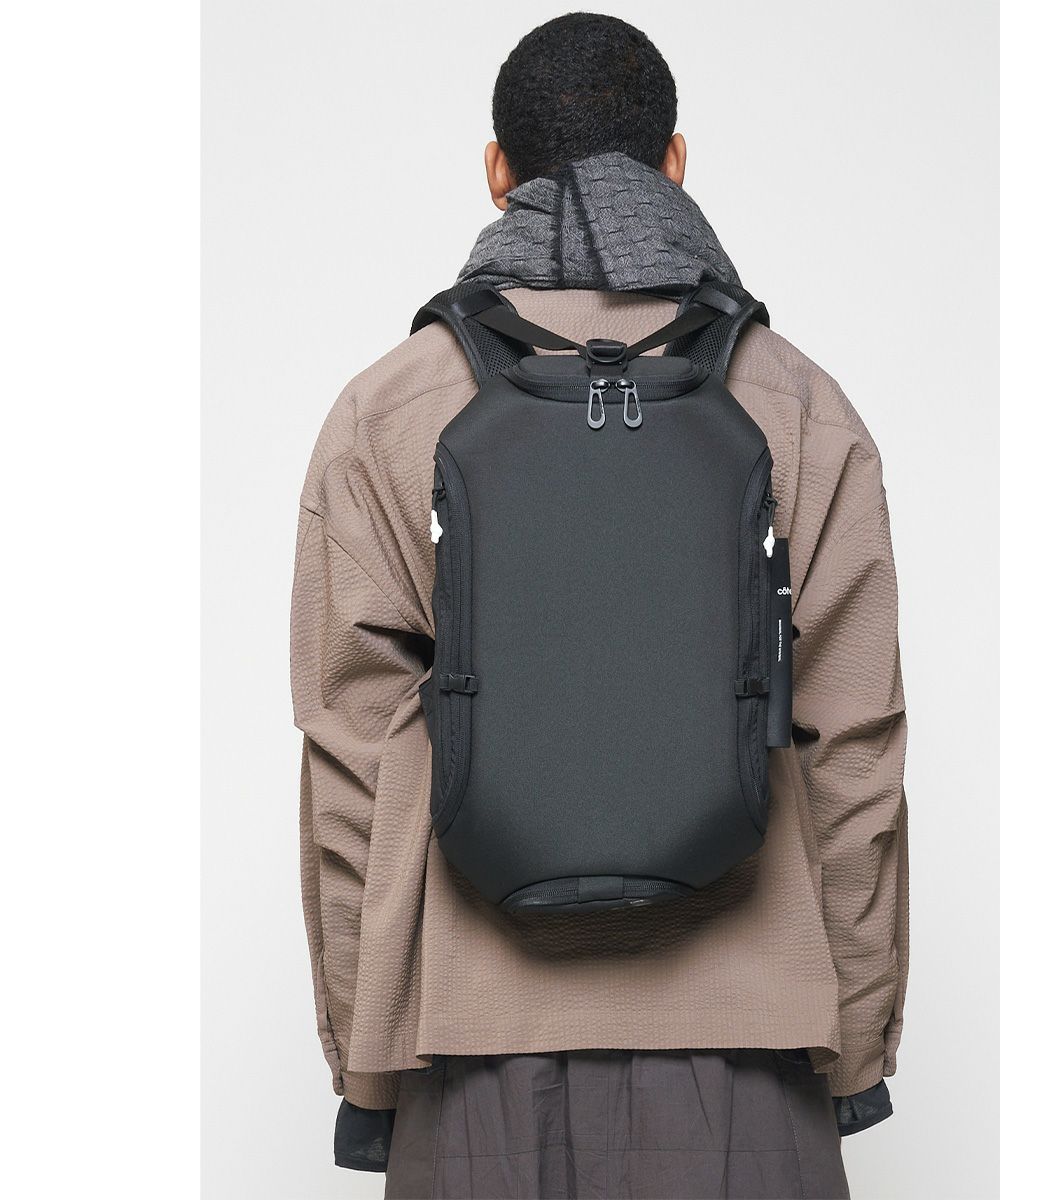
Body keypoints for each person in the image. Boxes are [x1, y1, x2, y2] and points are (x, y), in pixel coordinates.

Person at [290, 13, 908, 1199]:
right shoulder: (799, 406)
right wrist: (855, 1045)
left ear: (497, 170)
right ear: (675, 162)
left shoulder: (387, 411)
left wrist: (367, 1061)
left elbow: (351, 765)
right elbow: (855, 749)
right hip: (751, 1046)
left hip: (468, 1051)